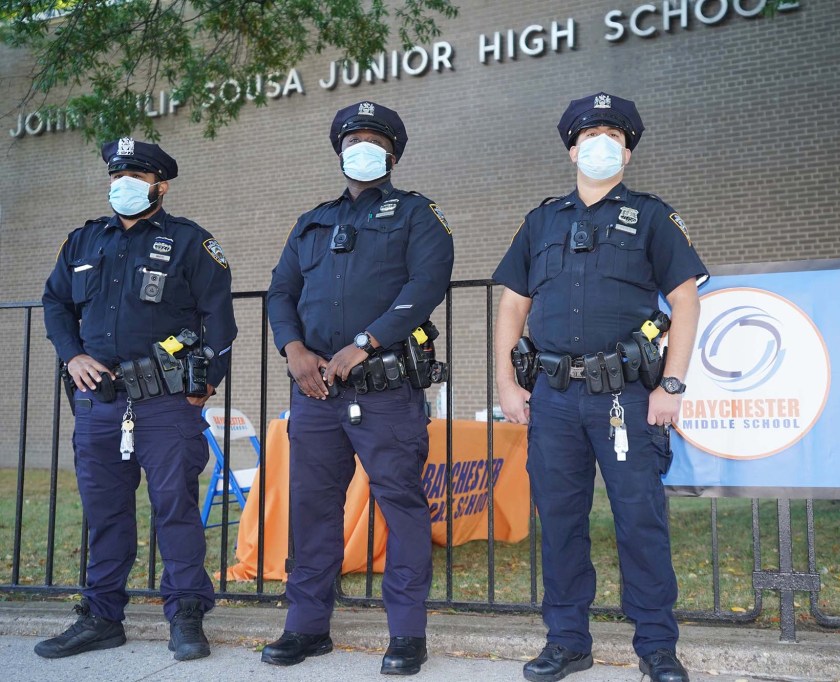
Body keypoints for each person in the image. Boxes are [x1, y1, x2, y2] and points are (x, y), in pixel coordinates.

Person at [493, 93, 708, 682]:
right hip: (555, 396)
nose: (601, 143)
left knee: (639, 518)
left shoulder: (653, 216)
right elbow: (513, 303)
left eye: (613, 134)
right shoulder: (540, 221)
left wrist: (673, 383)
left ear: (628, 151)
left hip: (626, 397)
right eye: (590, 134)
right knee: (560, 520)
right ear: (571, 148)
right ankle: (567, 642)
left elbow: (686, 300)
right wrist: (507, 382)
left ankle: (657, 648)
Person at [264, 101, 454, 675]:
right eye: (352, 139)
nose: (361, 147)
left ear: (391, 152)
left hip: (386, 389)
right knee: (314, 509)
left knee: (401, 504)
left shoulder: (418, 213)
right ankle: (305, 627)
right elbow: (280, 292)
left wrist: (367, 341)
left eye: (373, 139)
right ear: (339, 151)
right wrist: (293, 349)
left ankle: (406, 635)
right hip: (316, 392)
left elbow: (428, 283)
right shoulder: (312, 221)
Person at [39, 138, 237, 661]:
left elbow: (220, 317)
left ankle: (186, 615)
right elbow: (55, 302)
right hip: (99, 402)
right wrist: (71, 355)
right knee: (105, 513)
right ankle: (102, 616)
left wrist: (205, 380)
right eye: (115, 176)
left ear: (160, 185)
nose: (120, 184)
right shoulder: (82, 242)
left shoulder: (191, 242)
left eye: (134, 176)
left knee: (175, 509)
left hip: (167, 401)